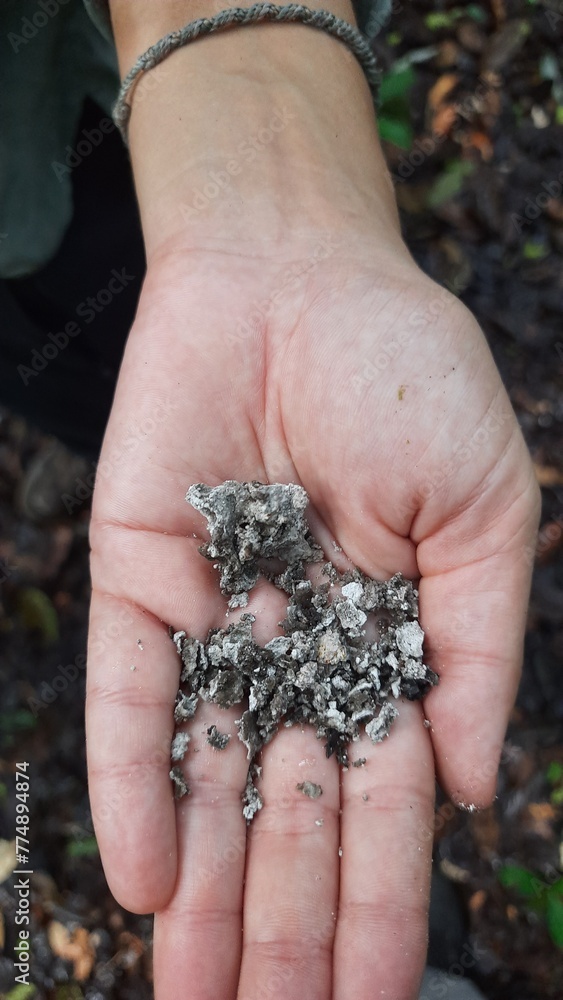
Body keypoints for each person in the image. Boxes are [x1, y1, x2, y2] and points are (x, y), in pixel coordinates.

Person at [2, 1, 539, 997]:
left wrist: (277, 180)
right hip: (26, 234)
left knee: (128, 339)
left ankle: (417, 948)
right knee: (93, 385)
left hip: (106, 140)